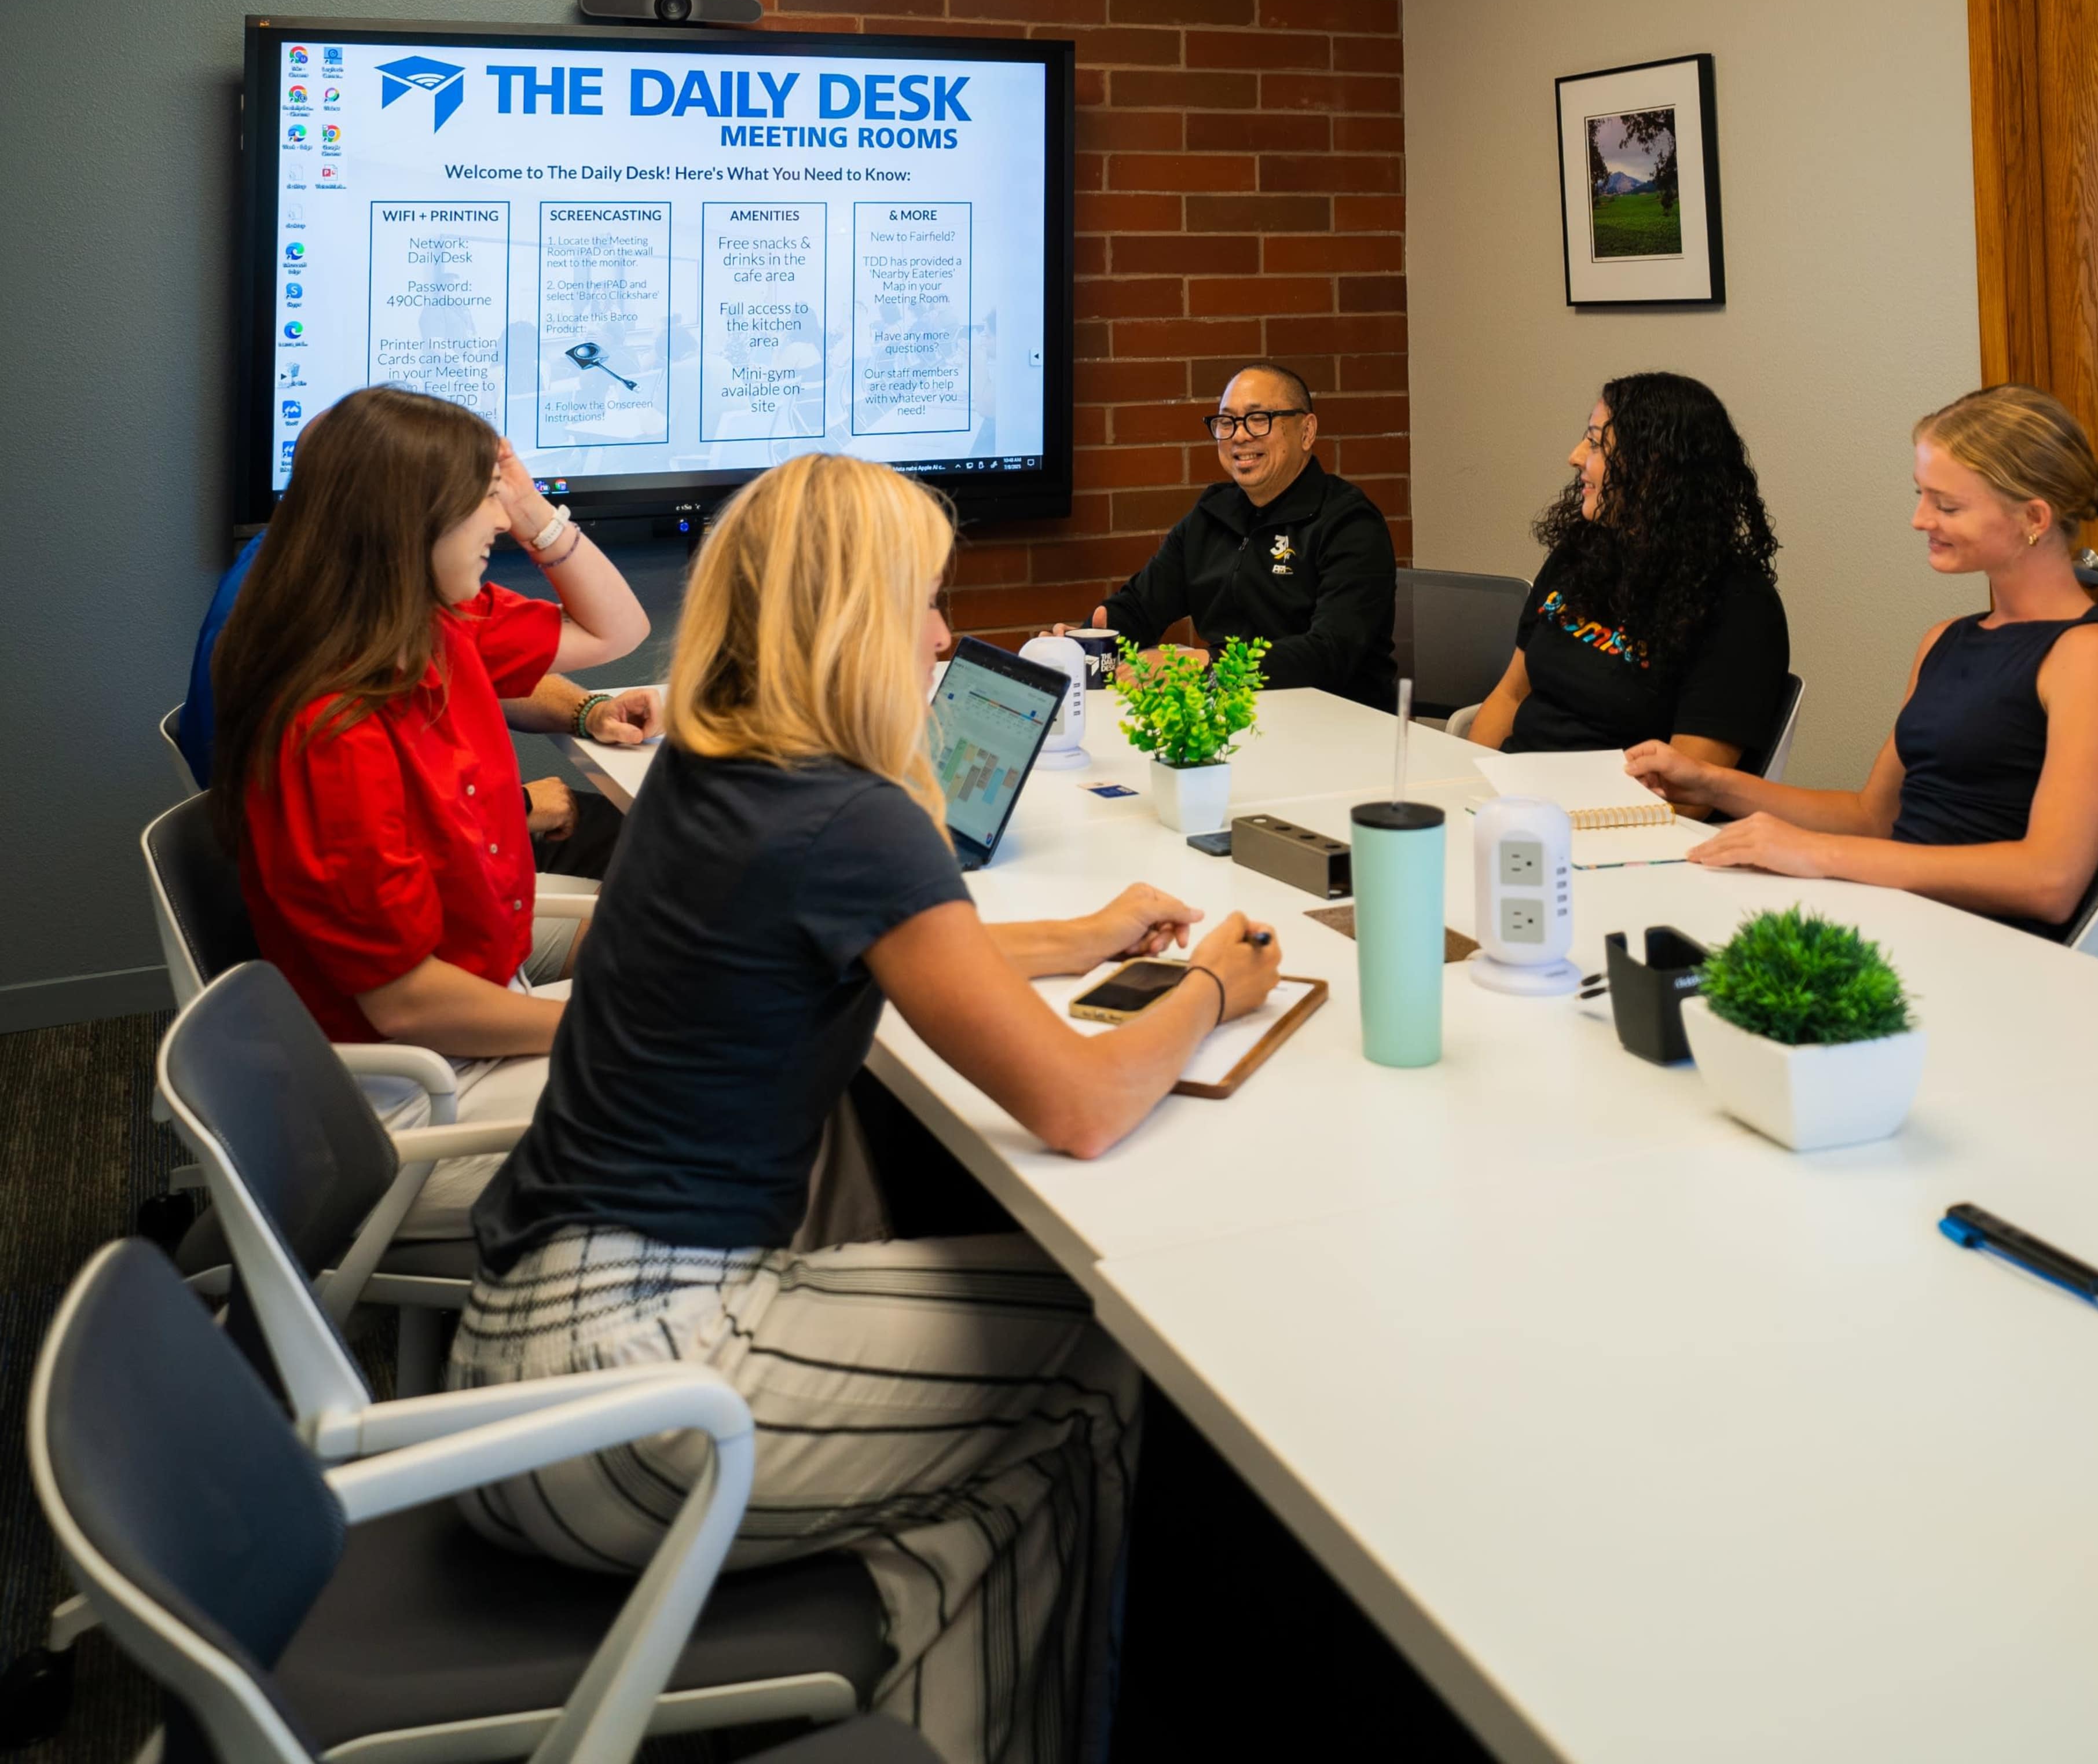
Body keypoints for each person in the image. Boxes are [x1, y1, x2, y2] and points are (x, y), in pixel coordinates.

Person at [449, 449, 1282, 1764]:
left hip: (512, 1351)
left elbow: (868, 941)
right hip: (629, 1400)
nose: (946, 637)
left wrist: (1079, 937)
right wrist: (1208, 991)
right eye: (925, 604)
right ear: (850, 619)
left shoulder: (719, 773)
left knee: (977, 1470)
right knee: (1086, 1368)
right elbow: (1077, 1103)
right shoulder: (848, 814)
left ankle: (928, 1711)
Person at [207, 389, 656, 1216]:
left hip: (471, 1008)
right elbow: (409, 1001)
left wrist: (532, 513)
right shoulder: (332, 728)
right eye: (482, 500)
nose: (497, 521)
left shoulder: (418, 621)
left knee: (682, 970)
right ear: (410, 524)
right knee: (736, 1098)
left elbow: (615, 629)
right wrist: (609, 1029)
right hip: (414, 1105)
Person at [1630, 387, 2098, 933]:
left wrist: (1819, 854)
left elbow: (2049, 881)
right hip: (1895, 916)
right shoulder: (1945, 640)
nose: (1920, 519)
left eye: (1947, 505)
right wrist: (1710, 783)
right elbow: (1874, 818)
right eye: (1921, 495)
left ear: (2033, 517)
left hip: (1984, 948)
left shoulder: (2093, 658)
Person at [181, 525, 626, 877]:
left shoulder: (318, 575)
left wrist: (587, 711)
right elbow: (374, 841)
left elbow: (476, 663)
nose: (502, 521)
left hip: (420, 847)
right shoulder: (322, 662)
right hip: (425, 873)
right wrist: (520, 807)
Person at [1464, 373, 1788, 774]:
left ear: (1654, 468)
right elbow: (1510, 696)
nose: (1576, 456)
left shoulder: (1740, 606)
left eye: (1597, 443)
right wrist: (1468, 779)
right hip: (1517, 799)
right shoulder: (1581, 553)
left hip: (1619, 818)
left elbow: (1691, 791)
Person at [1068, 359, 1396, 707]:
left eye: (1258, 419)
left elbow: (1329, 654)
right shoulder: (1212, 515)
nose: (1239, 435)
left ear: (1306, 432)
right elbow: (1140, 607)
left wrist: (1206, 664)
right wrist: (1083, 643)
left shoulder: (1349, 523)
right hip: (1228, 720)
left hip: (1339, 727)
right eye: (1227, 421)